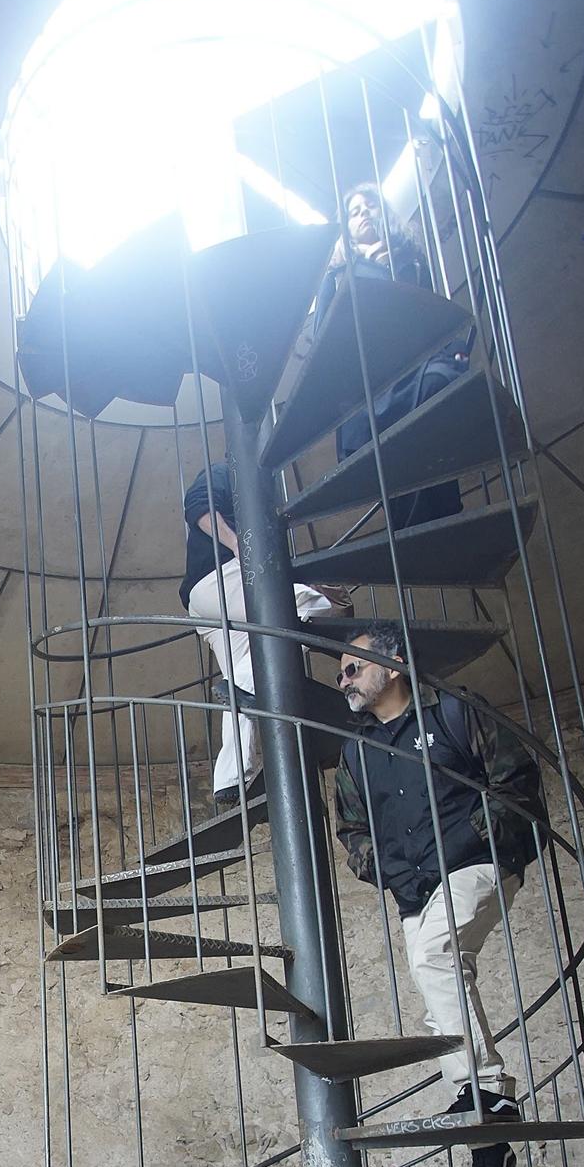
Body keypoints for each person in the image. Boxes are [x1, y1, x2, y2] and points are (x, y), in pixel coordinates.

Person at [333, 624, 544, 1167]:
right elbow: (351, 831)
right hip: (413, 889)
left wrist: (476, 839)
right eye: (340, 672)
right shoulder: (356, 754)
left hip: (478, 864)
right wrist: (391, 871)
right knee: (439, 991)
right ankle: (490, 1143)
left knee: (435, 956)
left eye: (353, 666)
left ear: (394, 665)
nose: (341, 678)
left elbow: (516, 781)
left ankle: (489, 1093)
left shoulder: (455, 711)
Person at [179, 462, 351, 805]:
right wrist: (237, 546)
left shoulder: (257, 488)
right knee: (304, 604)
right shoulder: (227, 471)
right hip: (221, 578)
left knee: (246, 668)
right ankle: (241, 686)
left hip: (207, 599)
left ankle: (229, 777)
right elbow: (198, 505)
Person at [313, 184, 469, 530]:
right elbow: (322, 338)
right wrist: (353, 271)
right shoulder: (340, 276)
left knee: (434, 399)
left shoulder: (410, 262)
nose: (364, 213)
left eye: (370, 206)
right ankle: (423, 532)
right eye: (354, 212)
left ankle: (435, 526)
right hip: (370, 389)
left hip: (415, 372)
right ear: (346, 232)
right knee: (393, 456)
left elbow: (434, 317)